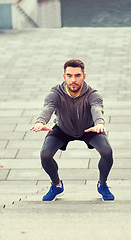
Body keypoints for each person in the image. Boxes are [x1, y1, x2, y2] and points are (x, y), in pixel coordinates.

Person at [30, 59, 114, 201]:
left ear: (84, 76)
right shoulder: (55, 93)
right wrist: (41, 121)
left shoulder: (93, 94)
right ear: (64, 76)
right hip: (63, 129)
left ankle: (102, 184)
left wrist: (99, 122)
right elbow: (48, 107)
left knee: (107, 152)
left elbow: (97, 108)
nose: (73, 80)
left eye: (77, 75)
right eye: (69, 76)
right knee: (45, 154)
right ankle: (56, 186)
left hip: (89, 128)